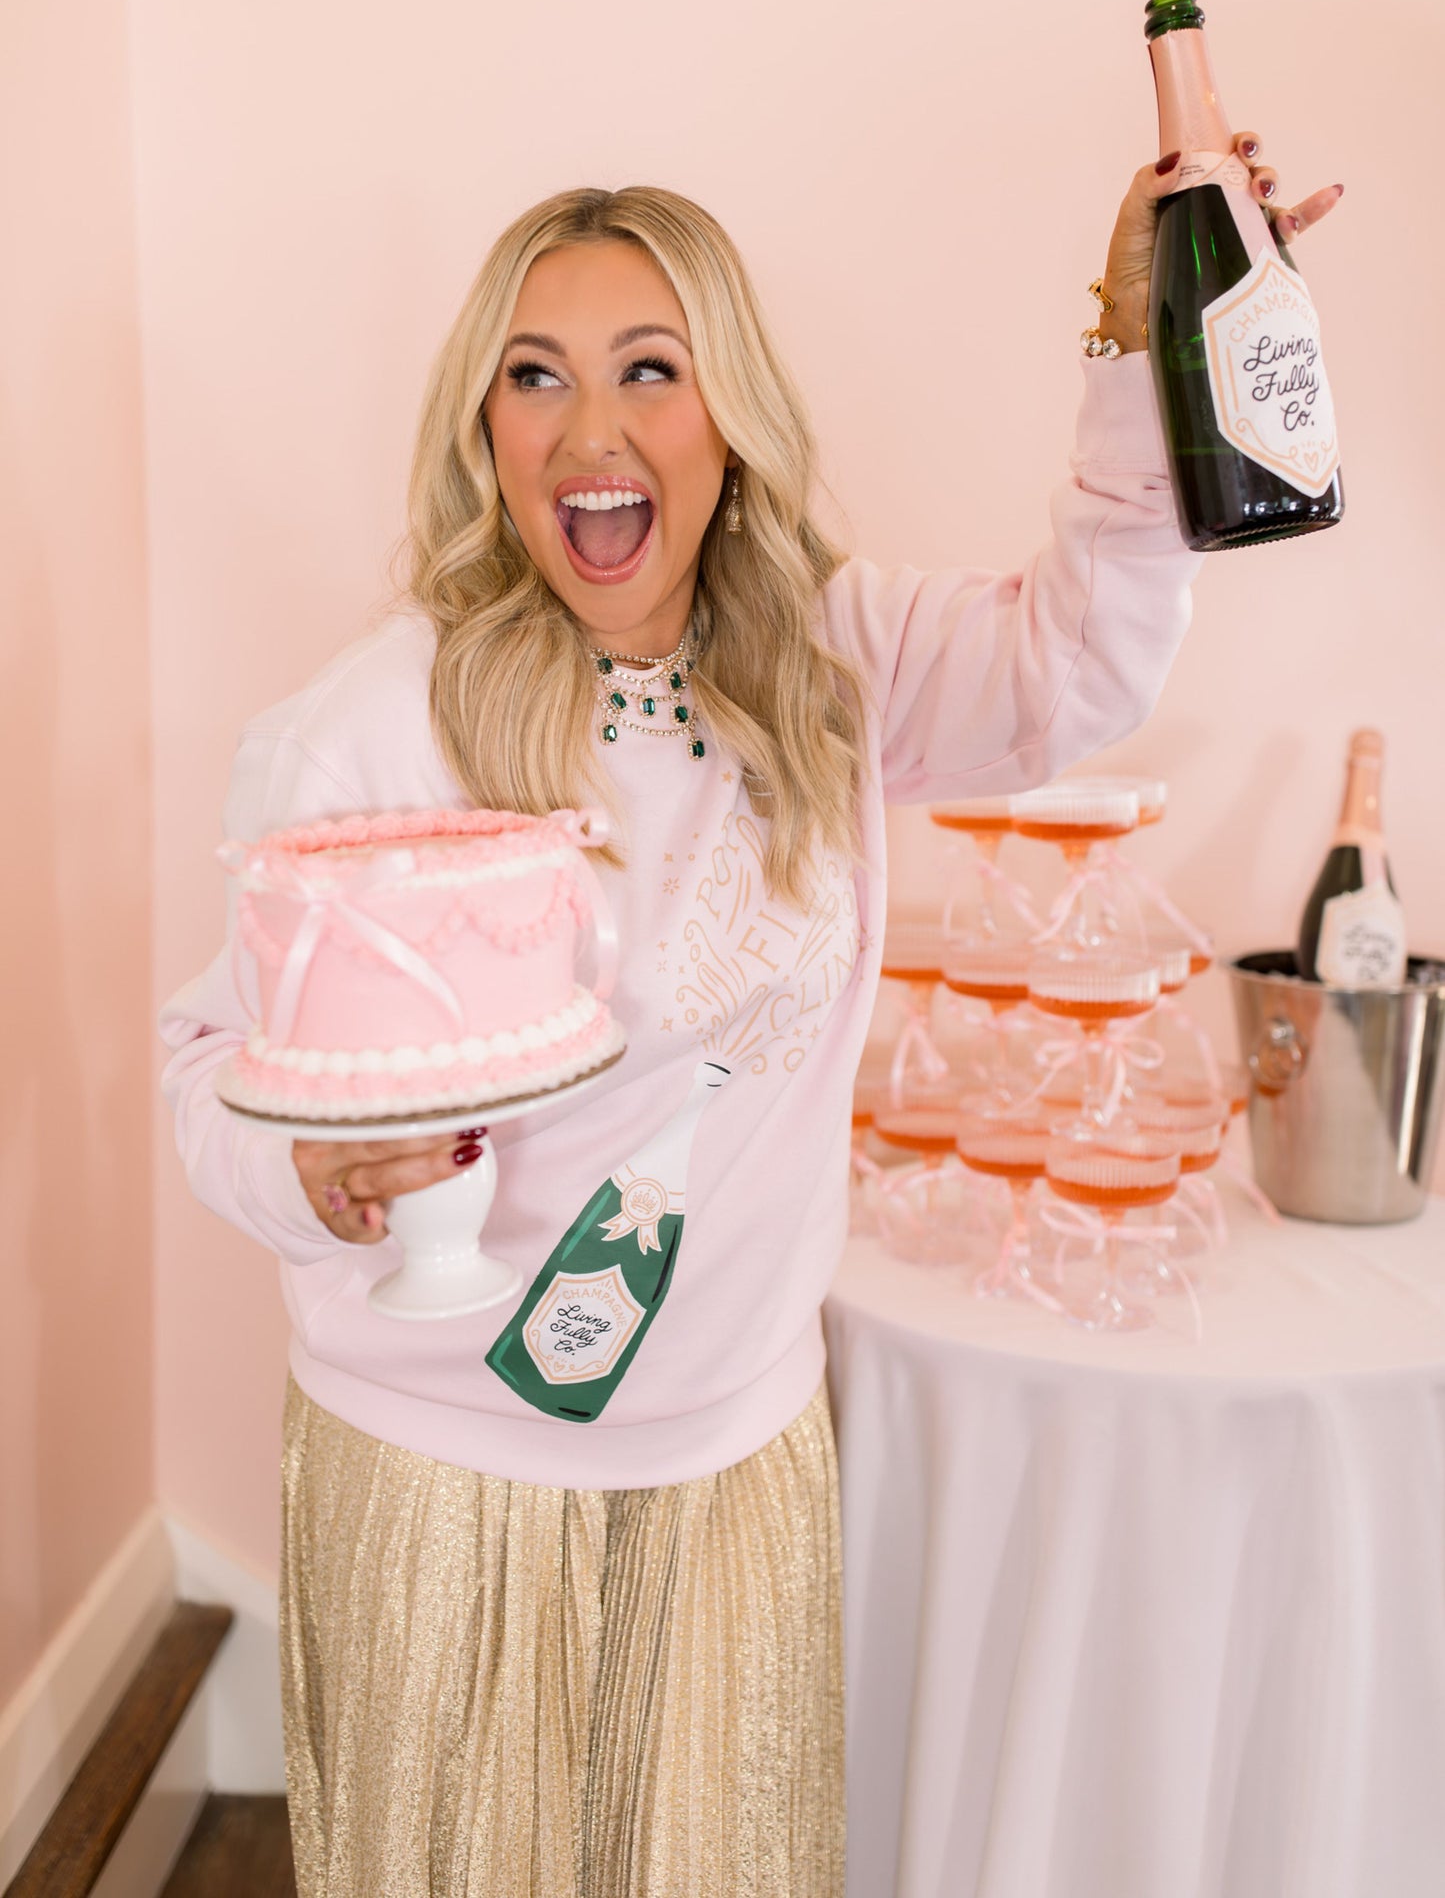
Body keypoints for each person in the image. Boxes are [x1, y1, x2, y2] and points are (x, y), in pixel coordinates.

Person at [160, 147, 1338, 1898]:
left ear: (728, 417)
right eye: (533, 376)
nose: (589, 433)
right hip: (440, 1476)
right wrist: (314, 1177)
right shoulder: (376, 717)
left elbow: (1078, 663)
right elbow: (208, 1069)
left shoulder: (829, 666)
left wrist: (1127, 333)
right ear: (484, 432)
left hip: (733, 1466)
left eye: (651, 366)